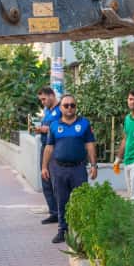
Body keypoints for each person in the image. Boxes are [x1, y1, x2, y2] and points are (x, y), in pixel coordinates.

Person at [41, 95, 98, 244]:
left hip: (78, 169)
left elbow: (90, 145)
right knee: (61, 200)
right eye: (66, 105)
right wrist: (44, 167)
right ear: (61, 108)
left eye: (72, 105)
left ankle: (81, 232)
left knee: (81, 200)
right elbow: (49, 147)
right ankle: (62, 230)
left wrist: (93, 165)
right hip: (59, 169)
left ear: (76, 107)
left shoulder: (84, 124)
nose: (69, 108)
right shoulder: (54, 125)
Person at [34, 86, 61, 225]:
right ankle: (53, 212)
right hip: (45, 147)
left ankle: (60, 212)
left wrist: (45, 129)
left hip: (55, 149)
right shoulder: (47, 110)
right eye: (41, 100)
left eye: (44, 99)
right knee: (46, 180)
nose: (43, 102)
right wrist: (40, 129)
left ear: (52, 95)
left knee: (55, 181)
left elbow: (63, 126)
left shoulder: (61, 109)